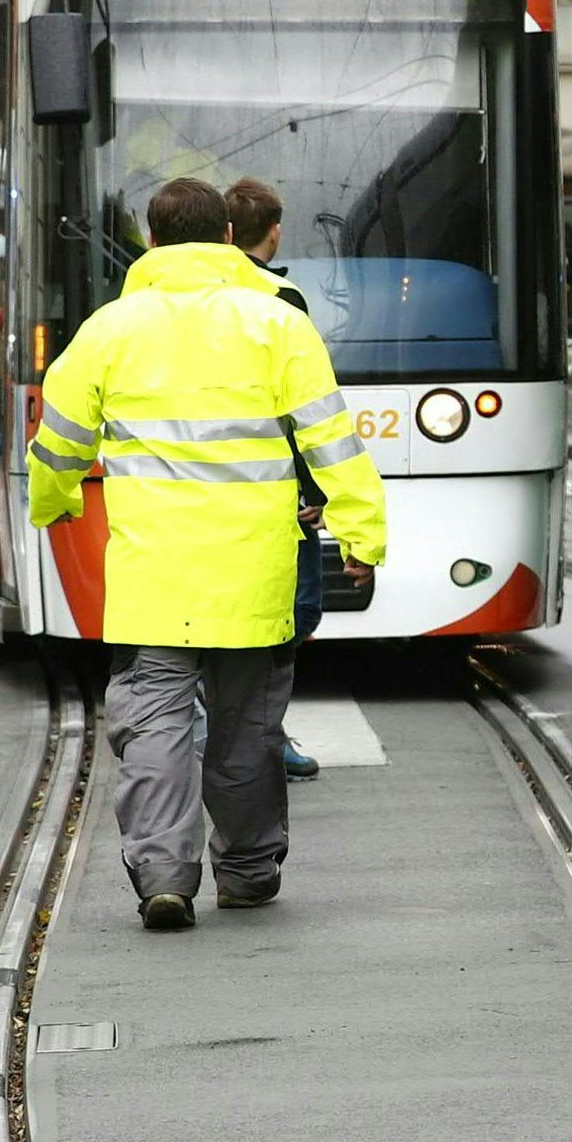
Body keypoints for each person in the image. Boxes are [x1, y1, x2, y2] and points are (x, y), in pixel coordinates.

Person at [31, 176, 385, 929]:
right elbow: (332, 441)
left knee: (154, 725)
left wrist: (53, 502)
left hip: (152, 578)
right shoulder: (276, 323)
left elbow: (57, 439)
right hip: (251, 575)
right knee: (247, 731)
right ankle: (249, 871)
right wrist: (362, 536)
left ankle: (163, 874)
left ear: (151, 244)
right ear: (229, 236)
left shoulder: (108, 329)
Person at [223, 178, 329, 788]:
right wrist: (314, 491)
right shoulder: (280, 301)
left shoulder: (174, 297)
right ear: (276, 230)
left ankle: (241, 727)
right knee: (291, 612)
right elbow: (306, 409)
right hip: (274, 486)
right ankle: (263, 732)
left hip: (203, 488)